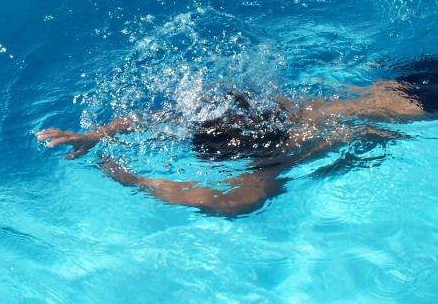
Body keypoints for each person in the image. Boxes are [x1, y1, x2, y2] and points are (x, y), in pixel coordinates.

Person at [36, 61, 438, 216]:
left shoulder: (275, 159)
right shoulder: (270, 112)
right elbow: (166, 119)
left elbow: (229, 202)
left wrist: (135, 180)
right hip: (406, 79)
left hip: (423, 105)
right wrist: (95, 134)